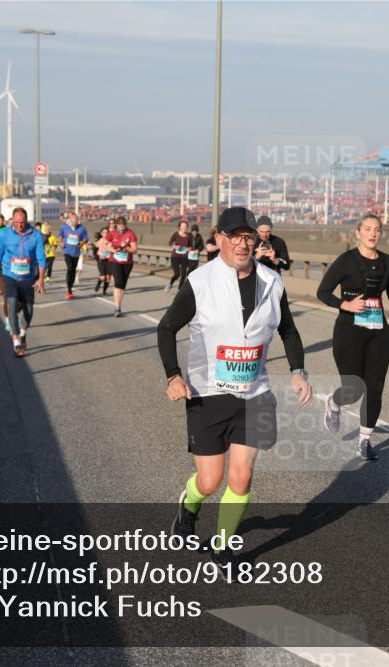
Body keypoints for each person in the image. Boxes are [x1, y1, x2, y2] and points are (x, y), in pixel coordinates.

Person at [159, 206, 311, 570]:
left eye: (248, 237)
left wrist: (297, 370)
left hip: (254, 393)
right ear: (220, 240)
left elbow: (287, 330)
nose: (243, 244)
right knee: (210, 480)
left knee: (241, 475)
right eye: (235, 237)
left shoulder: (273, 282)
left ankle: (224, 548)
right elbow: (166, 328)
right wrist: (173, 375)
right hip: (207, 392)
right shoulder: (200, 281)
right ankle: (188, 508)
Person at [317, 213, 389, 461]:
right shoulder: (346, 260)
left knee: (375, 387)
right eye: (368, 229)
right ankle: (334, 403)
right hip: (349, 331)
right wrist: (345, 305)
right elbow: (322, 292)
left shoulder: (388, 262)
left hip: (379, 332)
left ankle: (364, 442)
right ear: (358, 232)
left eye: (377, 229)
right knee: (354, 389)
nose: (373, 233)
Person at [0, 207, 47, 358]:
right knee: (12, 304)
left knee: (28, 311)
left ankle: (22, 333)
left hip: (29, 278)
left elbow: (41, 258)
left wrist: (41, 279)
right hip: (10, 275)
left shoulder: (35, 235)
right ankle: (16, 342)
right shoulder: (5, 234)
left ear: (26, 221)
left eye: (22, 222)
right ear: (13, 221)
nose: (20, 225)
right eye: (16, 222)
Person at [105, 216, 138, 317]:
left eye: (123, 226)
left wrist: (126, 247)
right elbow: (105, 244)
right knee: (118, 282)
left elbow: (135, 249)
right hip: (115, 261)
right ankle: (117, 306)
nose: (122, 228)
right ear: (116, 225)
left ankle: (118, 304)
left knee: (122, 285)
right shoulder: (112, 233)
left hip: (127, 262)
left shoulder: (130, 234)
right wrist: (112, 250)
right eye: (120, 226)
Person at [58, 212, 89, 299]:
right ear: (70, 221)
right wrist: (60, 242)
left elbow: (86, 238)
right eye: (73, 220)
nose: (74, 222)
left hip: (76, 252)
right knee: (70, 268)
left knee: (73, 270)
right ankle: (69, 289)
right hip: (67, 251)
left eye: (76, 220)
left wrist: (81, 244)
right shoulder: (64, 227)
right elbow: (60, 235)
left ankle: (70, 287)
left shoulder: (82, 228)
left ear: (78, 221)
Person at [166, 220, 191, 292]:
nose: (184, 227)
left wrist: (189, 248)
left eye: (185, 226)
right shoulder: (176, 234)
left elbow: (191, 246)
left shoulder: (189, 236)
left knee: (183, 274)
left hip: (185, 256)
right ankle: (170, 283)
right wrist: (174, 246)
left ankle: (179, 289)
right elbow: (170, 243)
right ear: (179, 227)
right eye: (182, 226)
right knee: (177, 273)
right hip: (175, 257)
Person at [94, 225, 114, 295]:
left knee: (108, 277)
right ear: (101, 234)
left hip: (110, 260)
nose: (105, 234)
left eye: (107, 232)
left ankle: (104, 291)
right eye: (104, 232)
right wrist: (98, 256)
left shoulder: (112, 241)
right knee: (103, 277)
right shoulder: (99, 241)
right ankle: (98, 283)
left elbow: (115, 250)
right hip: (101, 261)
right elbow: (94, 250)